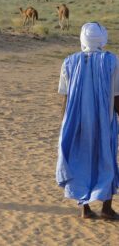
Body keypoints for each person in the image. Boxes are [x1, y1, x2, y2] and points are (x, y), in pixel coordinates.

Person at [56, 22, 119, 220]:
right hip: (104, 121)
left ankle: (84, 208)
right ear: (102, 38)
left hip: (77, 122)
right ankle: (106, 209)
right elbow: (117, 97)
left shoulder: (69, 62)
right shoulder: (112, 62)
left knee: (79, 159)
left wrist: (65, 124)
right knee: (106, 159)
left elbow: (65, 98)